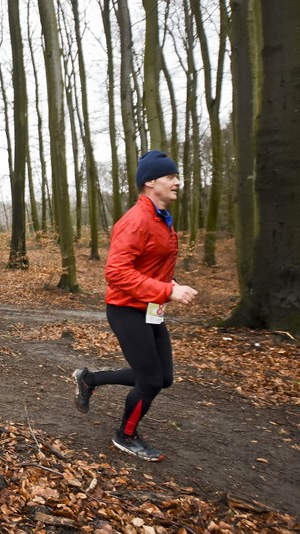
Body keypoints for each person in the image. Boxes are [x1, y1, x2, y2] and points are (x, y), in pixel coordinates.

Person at [72, 150, 198, 462]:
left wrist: (168, 284)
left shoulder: (161, 219)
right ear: (150, 182)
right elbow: (115, 272)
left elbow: (151, 263)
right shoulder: (136, 220)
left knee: (162, 377)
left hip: (150, 309)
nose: (177, 182)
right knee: (151, 380)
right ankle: (125, 436)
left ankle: (89, 379)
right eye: (170, 177)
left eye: (176, 176)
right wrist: (168, 290)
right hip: (126, 309)